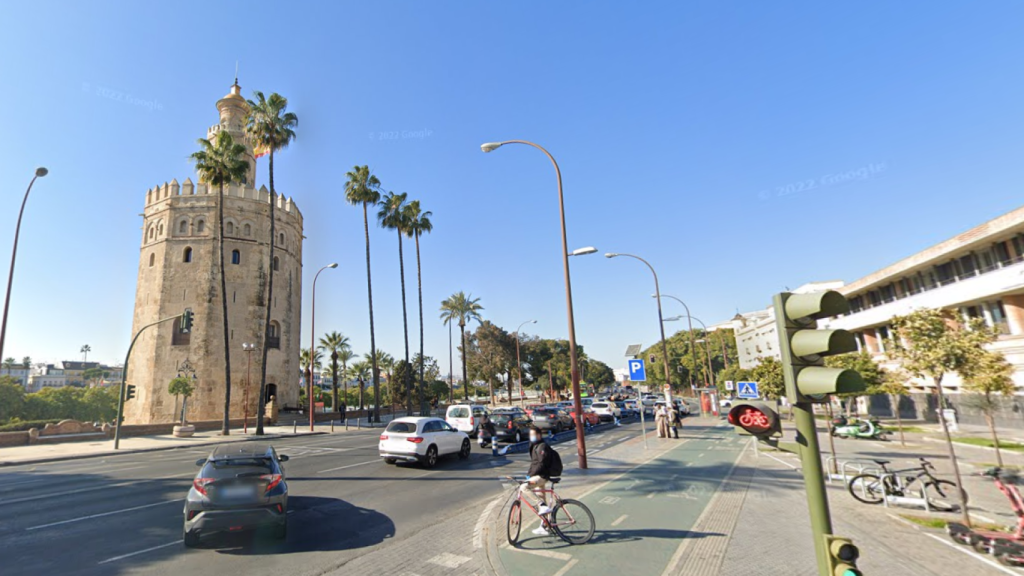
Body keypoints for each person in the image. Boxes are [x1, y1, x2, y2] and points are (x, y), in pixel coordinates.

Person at [523, 425, 556, 535]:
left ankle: (541, 505)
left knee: (524, 487)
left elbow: (541, 464)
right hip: (538, 476)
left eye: (533, 435)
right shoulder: (534, 446)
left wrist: (530, 475)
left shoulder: (542, 446)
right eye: (530, 435)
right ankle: (544, 525)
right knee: (542, 498)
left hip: (542, 476)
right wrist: (528, 475)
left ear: (539, 435)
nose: (531, 436)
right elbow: (534, 463)